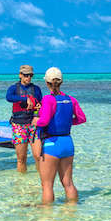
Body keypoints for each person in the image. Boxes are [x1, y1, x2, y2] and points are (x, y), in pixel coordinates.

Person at [32, 67, 86, 204]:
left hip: (52, 144)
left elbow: (44, 121)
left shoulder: (48, 99)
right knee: (68, 183)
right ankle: (72, 212)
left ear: (47, 83)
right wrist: (66, 122)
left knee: (47, 185)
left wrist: (35, 121)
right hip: (67, 143)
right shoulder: (71, 99)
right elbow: (81, 118)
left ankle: (46, 217)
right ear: (61, 82)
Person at [6, 65, 43, 173]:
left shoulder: (36, 89)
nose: (28, 78)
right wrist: (26, 98)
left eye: (31, 75)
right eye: (26, 75)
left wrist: (39, 106)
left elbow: (41, 103)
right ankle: (22, 185)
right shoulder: (13, 88)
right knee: (21, 158)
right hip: (19, 125)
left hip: (33, 125)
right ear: (20, 75)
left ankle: (41, 182)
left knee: (38, 156)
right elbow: (9, 97)